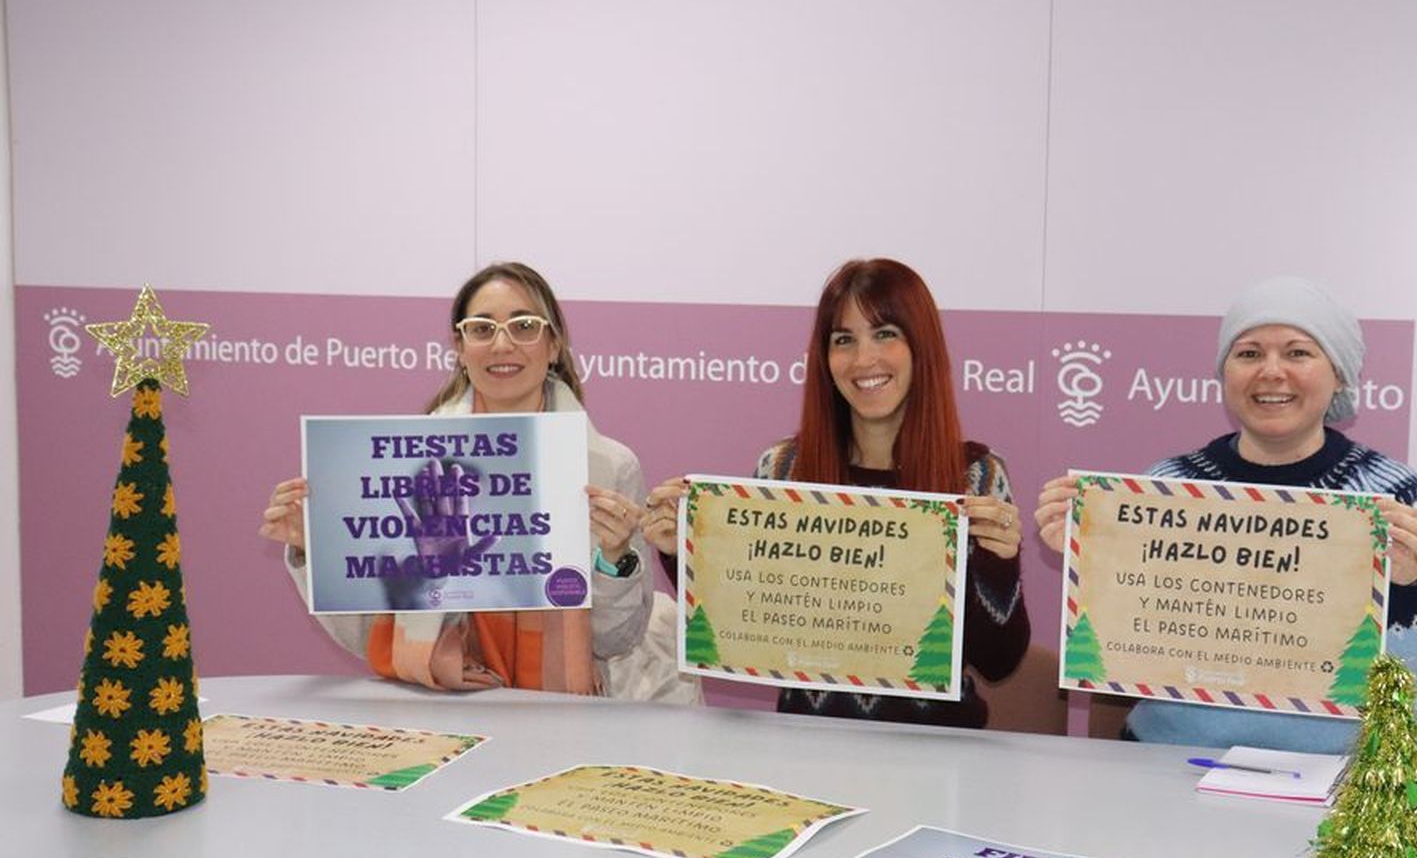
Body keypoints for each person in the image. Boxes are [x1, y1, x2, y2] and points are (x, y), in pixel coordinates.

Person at [1034, 275, 1417, 752]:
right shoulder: (1164, 488)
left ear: (1338, 373)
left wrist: (1406, 586)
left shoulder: (1394, 496)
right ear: (1224, 372)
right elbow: (1117, 650)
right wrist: (1091, 562)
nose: (1271, 372)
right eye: (1249, 353)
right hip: (1171, 762)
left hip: (1350, 775)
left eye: (1298, 352)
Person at [642, 258, 1029, 727]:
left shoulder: (977, 478)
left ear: (921, 346)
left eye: (885, 333)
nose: (864, 360)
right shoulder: (783, 470)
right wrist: (681, 554)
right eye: (844, 340)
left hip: (938, 750)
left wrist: (999, 565)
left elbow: (999, 662)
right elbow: (743, 625)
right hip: (806, 742)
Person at [260, 262, 651, 693]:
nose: (502, 344)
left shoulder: (609, 467)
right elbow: (365, 633)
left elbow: (618, 640)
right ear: (460, 348)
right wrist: (311, 548)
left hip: (562, 715)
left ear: (553, 344)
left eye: (524, 326)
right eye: (482, 329)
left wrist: (614, 559)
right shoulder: (409, 466)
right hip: (441, 704)